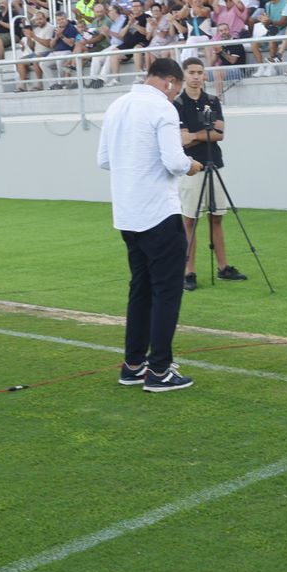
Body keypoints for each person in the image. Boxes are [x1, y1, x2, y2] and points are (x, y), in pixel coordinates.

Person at [96, 58, 204, 393]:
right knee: (166, 292)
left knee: (140, 289)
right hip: (158, 212)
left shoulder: (117, 105)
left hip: (128, 213)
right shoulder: (162, 108)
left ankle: (133, 364)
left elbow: (104, 160)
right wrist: (192, 166)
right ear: (171, 82)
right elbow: (174, 161)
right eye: (177, 86)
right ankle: (158, 369)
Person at [174, 57, 248, 290]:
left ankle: (223, 267)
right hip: (191, 168)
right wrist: (202, 133)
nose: (196, 76)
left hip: (215, 163)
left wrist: (194, 135)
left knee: (217, 217)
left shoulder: (213, 101)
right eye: (192, 72)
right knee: (190, 220)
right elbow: (181, 139)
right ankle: (189, 272)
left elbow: (219, 134)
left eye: (200, 72)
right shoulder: (177, 104)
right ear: (184, 75)